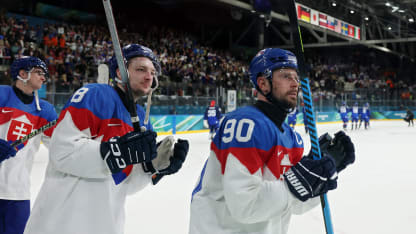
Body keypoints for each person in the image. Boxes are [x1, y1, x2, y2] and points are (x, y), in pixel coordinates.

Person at [24, 44, 189, 234]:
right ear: (120, 72)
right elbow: (62, 152)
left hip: (106, 223)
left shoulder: (142, 119)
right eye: (141, 69)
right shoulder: (96, 95)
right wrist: (115, 152)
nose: (149, 77)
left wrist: (152, 167)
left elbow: (125, 185)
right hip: (63, 221)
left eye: (152, 72)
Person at [189, 48, 355, 234]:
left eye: (296, 77)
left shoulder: (292, 139)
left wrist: (319, 176)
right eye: (285, 76)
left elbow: (295, 205)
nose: (295, 84)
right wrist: (296, 183)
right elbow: (244, 205)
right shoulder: (244, 124)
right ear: (263, 83)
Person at [0, 56, 57, 234]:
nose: (43, 78)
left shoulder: (45, 111)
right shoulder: (2, 95)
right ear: (22, 74)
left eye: (44, 74)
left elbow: (63, 145)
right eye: (38, 72)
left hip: (17, 193)